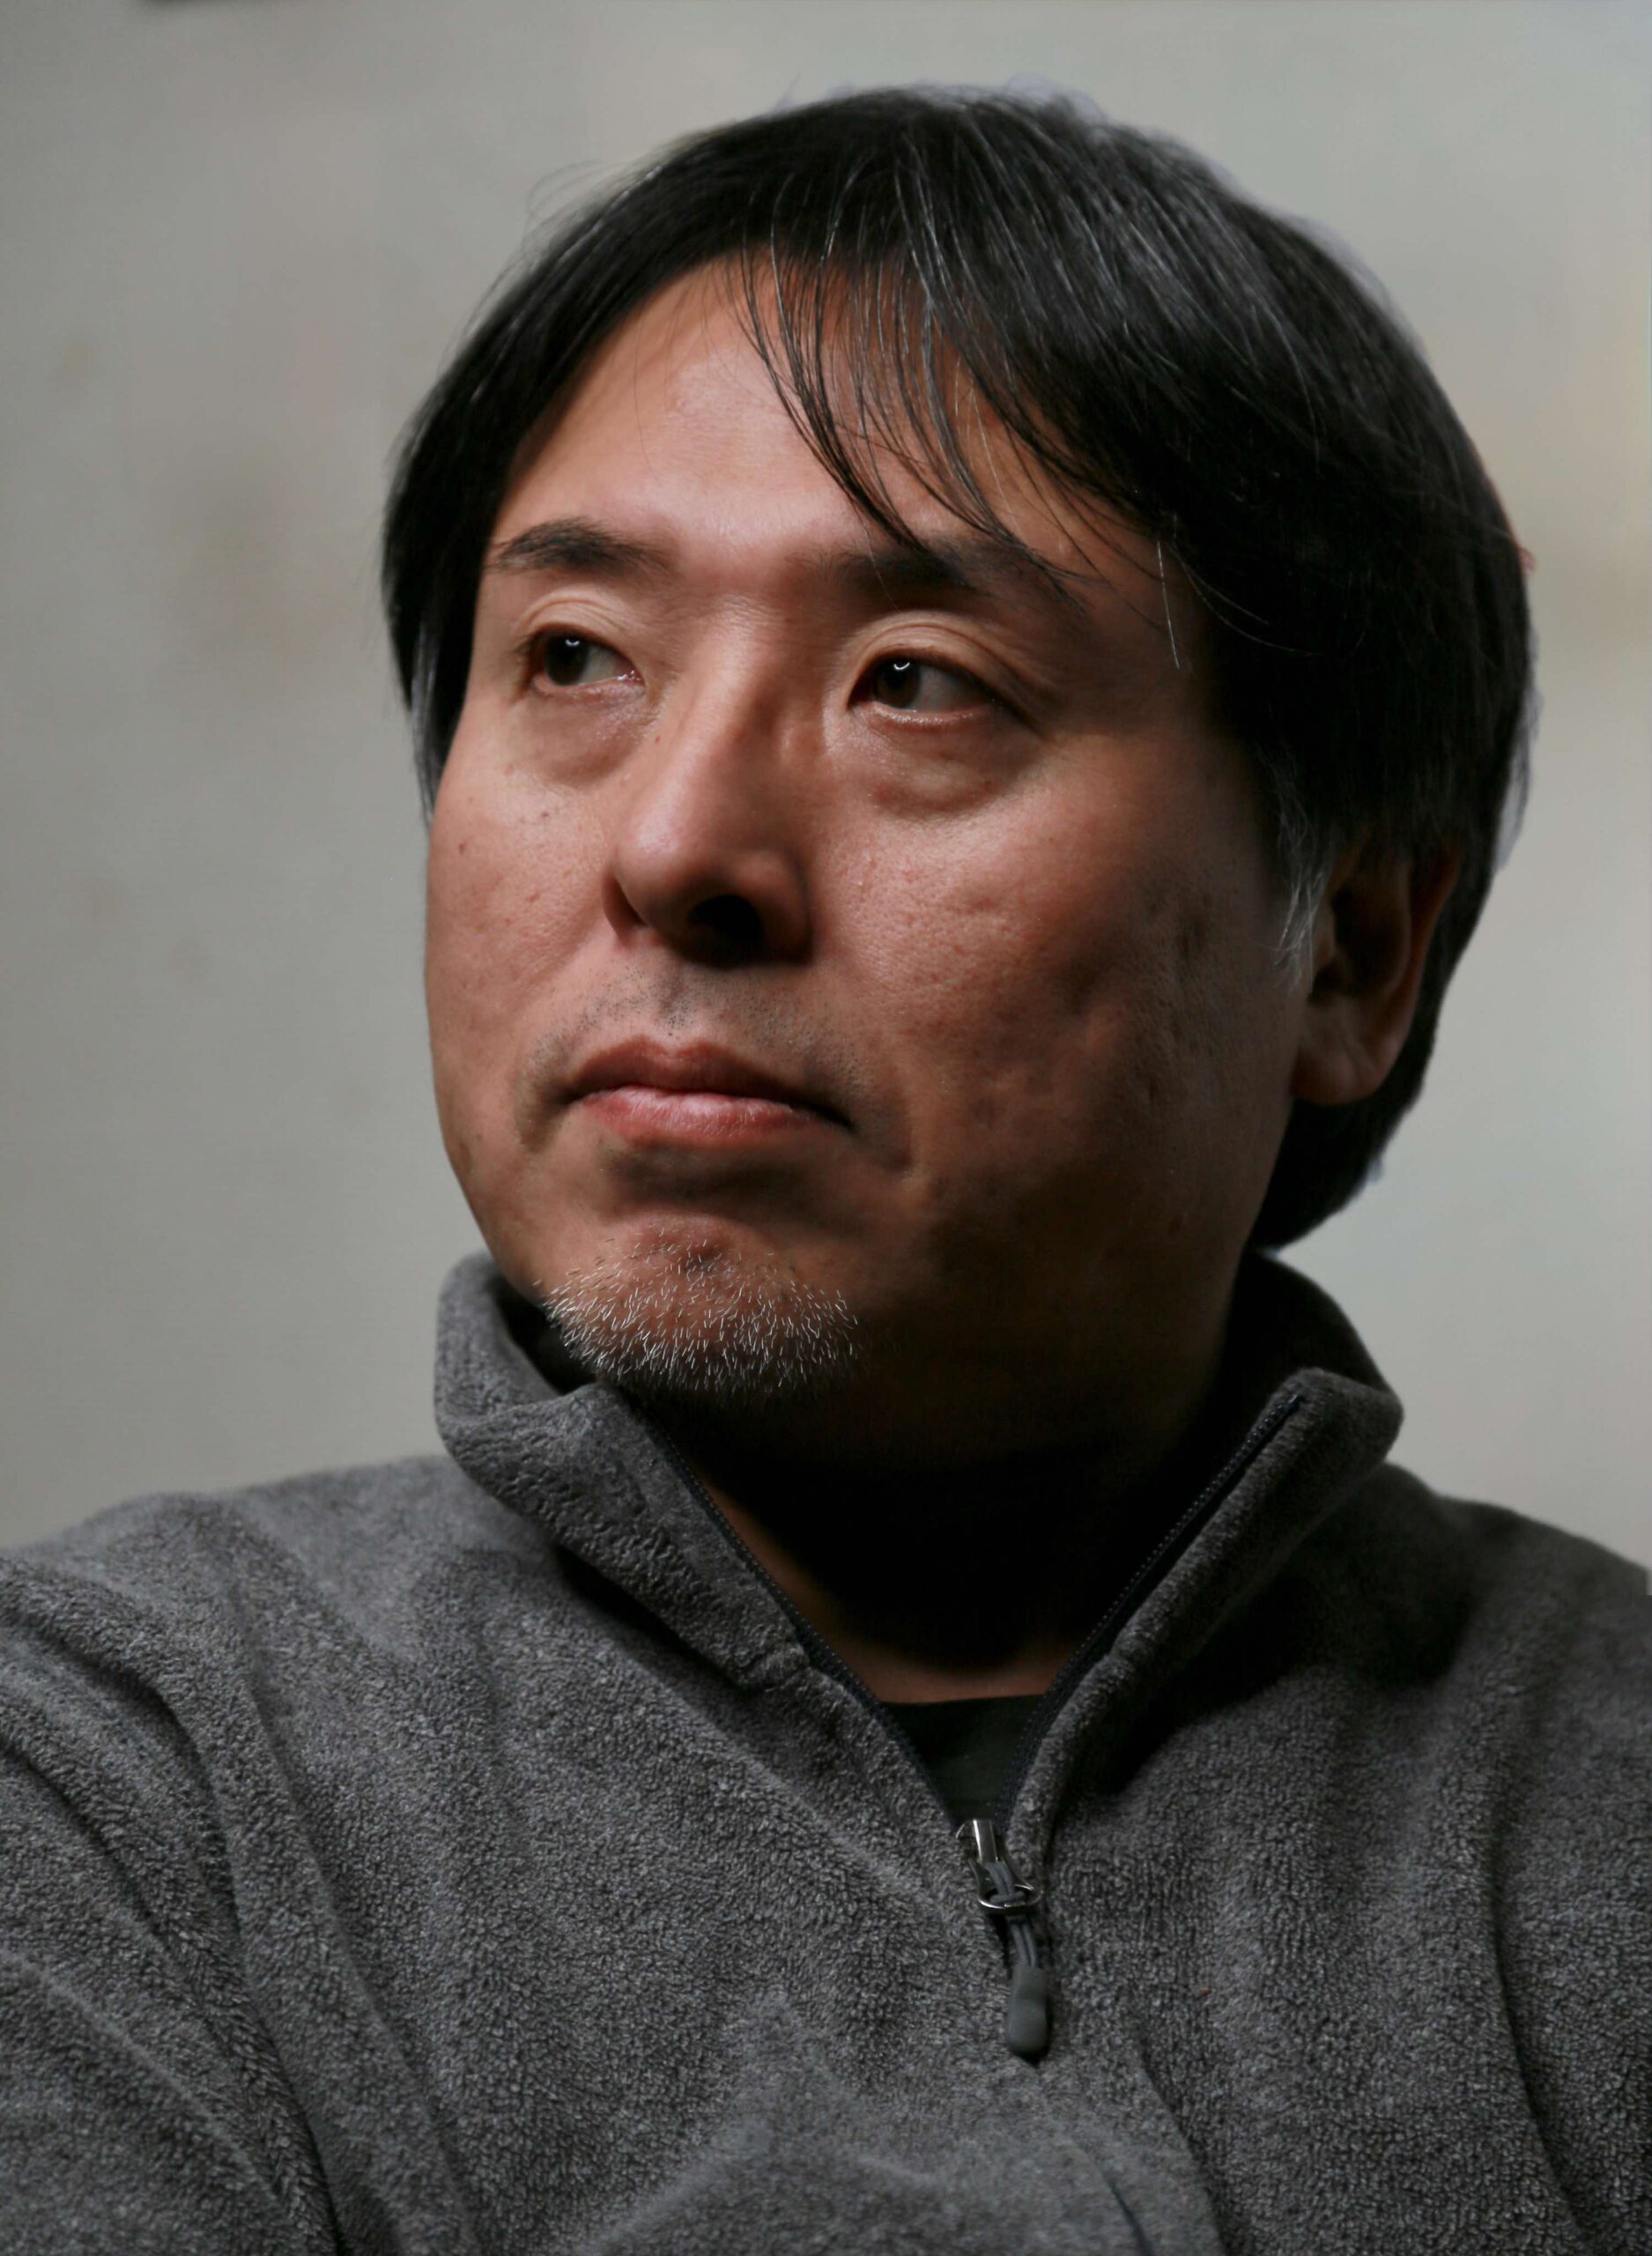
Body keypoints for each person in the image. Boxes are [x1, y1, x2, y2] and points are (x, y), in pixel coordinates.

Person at [2, 84, 1645, 2256]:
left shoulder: (1604, 1797)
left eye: (916, 685)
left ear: (1341, 945)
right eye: (572, 658)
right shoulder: (119, 1780)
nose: (677, 843)